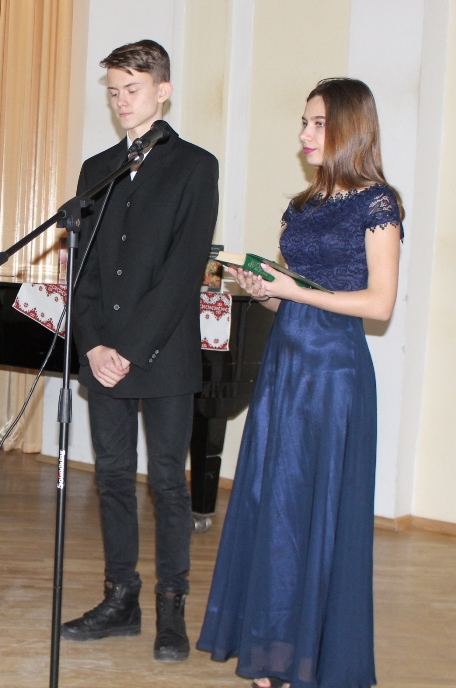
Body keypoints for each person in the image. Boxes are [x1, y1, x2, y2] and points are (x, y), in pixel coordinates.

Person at [197, 78, 402, 688]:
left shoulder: (378, 204)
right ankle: (271, 656)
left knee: (317, 512)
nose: (305, 134)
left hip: (333, 378)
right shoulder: (303, 206)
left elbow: (380, 304)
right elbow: (291, 299)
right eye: (304, 122)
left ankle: (311, 659)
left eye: (317, 123)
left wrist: (293, 290)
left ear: (349, 128)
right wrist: (264, 289)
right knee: (273, 508)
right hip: (285, 368)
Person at [60, 40, 219, 663]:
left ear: (163, 91)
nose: (122, 101)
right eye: (114, 91)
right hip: (103, 352)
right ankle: (119, 599)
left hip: (163, 355)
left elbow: (182, 273)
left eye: (133, 89)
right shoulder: (97, 169)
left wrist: (126, 348)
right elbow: (84, 271)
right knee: (113, 479)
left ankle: (171, 608)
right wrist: (95, 343)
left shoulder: (195, 167)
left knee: (169, 485)